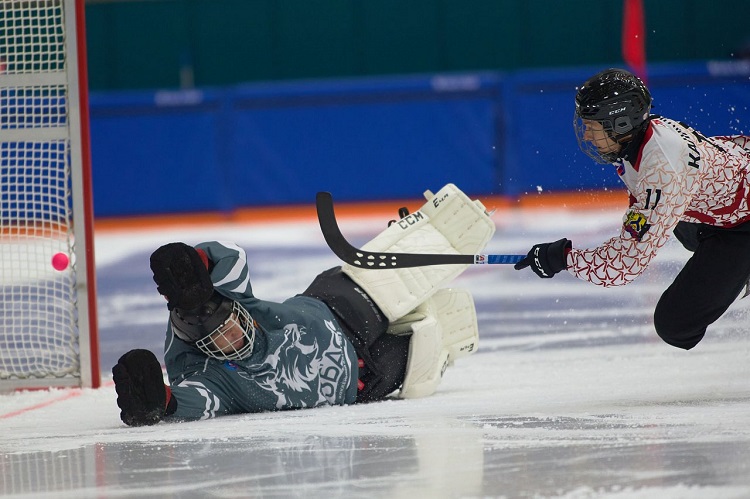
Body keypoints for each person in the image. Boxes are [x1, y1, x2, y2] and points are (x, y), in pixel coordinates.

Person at [112, 183, 496, 426]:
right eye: (221, 339)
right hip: (367, 378)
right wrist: (159, 403)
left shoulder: (230, 298)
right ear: (204, 349)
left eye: (230, 322)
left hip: (343, 306)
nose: (232, 332)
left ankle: (457, 222)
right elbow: (193, 401)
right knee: (439, 336)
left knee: (445, 236)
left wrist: (198, 261)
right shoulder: (214, 378)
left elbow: (231, 256)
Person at [514, 67, 750, 350]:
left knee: (675, 324)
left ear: (621, 124)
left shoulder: (662, 169)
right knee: (680, 229)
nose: (587, 136)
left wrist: (563, 258)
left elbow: (624, 264)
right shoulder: (643, 141)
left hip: (742, 218)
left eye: (592, 126)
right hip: (727, 197)